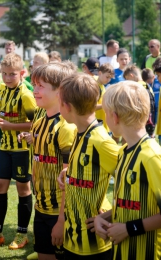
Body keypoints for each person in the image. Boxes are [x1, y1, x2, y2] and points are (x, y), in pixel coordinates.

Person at [52, 73, 119, 260]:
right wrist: (69, 172)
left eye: (59, 102)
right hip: (72, 238)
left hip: (95, 244)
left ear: (67, 107)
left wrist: (110, 213)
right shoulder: (79, 132)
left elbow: (133, 183)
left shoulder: (101, 141)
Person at [93, 81, 161, 260]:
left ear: (114, 117)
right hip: (122, 251)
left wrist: (129, 229)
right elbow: (130, 203)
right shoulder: (123, 151)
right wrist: (105, 218)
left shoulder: (151, 157)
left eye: (105, 113)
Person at [0, 53, 37, 250]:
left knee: (23, 189)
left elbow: (34, 125)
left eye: (12, 74)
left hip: (22, 149)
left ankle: (22, 233)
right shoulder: (1, 89)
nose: (7, 78)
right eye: (4, 73)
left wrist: (9, 126)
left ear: (21, 73)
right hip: (4, 148)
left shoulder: (26, 94)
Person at [19, 63, 76, 260]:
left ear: (60, 90)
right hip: (40, 208)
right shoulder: (39, 123)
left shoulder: (66, 128)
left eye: (40, 86)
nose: (34, 90)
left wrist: (61, 220)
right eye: (34, 85)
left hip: (60, 213)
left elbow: (68, 179)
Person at [123, 64, 156, 137]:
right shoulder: (148, 86)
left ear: (131, 75)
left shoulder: (135, 87)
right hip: (150, 123)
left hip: (139, 123)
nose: (127, 82)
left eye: (127, 79)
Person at [95, 63, 114, 131]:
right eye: (107, 77)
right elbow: (91, 107)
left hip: (104, 125)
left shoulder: (102, 85)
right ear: (100, 73)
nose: (109, 80)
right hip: (98, 126)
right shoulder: (95, 86)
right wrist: (107, 105)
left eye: (110, 78)